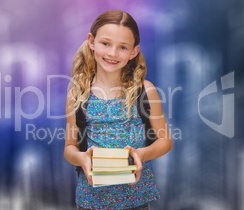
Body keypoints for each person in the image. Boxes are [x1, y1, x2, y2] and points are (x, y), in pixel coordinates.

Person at [64, 9, 173, 210]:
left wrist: (142, 154)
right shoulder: (77, 93)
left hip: (135, 201)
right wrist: (82, 157)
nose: (113, 53)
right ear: (91, 41)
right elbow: (69, 148)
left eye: (122, 47)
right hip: (91, 201)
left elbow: (165, 141)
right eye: (105, 43)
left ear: (134, 52)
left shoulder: (145, 90)